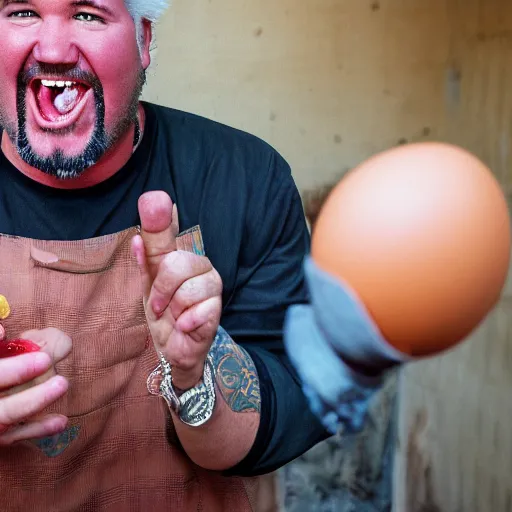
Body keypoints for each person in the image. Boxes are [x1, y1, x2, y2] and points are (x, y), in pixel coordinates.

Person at [0, 0, 386, 510]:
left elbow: (290, 398)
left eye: (88, 14)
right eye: (22, 11)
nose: (51, 49)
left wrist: (194, 375)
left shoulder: (246, 179)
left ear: (144, 40)